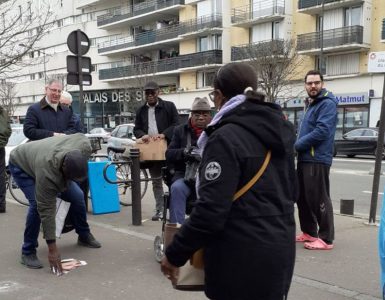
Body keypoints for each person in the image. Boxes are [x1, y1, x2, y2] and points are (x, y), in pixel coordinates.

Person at [161, 62, 297, 300]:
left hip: (239, 258)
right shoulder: (279, 130)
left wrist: (174, 253)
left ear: (218, 96)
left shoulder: (225, 137)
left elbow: (211, 211)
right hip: (279, 251)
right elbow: (292, 192)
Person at [9, 133, 101, 273]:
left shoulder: (84, 147)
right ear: (64, 169)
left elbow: (79, 135)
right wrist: (52, 248)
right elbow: (46, 209)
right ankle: (28, 251)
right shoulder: (48, 173)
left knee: (78, 196)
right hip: (21, 165)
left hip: (44, 156)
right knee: (37, 205)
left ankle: (83, 234)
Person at [295, 70, 338, 250]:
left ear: (322, 84)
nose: (313, 86)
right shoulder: (312, 104)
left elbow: (322, 131)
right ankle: (310, 232)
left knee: (318, 197)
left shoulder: (326, 104)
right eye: (310, 83)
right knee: (302, 197)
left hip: (317, 158)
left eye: (316, 83)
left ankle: (326, 238)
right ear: (305, 85)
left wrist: (296, 146)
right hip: (306, 157)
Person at [134, 81, 179, 221]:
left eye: (152, 92)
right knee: (156, 181)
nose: (150, 95)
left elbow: (176, 124)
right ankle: (159, 210)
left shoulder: (169, 106)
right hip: (151, 151)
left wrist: (164, 134)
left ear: (158, 92)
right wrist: (143, 135)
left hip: (168, 149)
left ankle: (175, 210)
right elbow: (136, 129)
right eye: (147, 93)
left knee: (173, 180)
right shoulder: (141, 110)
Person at [165, 97, 212, 224]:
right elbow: (168, 154)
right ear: (191, 115)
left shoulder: (217, 130)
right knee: (177, 188)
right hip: (185, 176)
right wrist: (184, 152)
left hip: (209, 177)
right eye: (197, 114)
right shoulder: (180, 130)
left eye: (204, 114)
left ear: (210, 116)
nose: (201, 118)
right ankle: (176, 231)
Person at [0, 105, 11, 213]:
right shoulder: (4, 112)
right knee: (1, 176)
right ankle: (1, 204)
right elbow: (8, 130)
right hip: (1, 147)